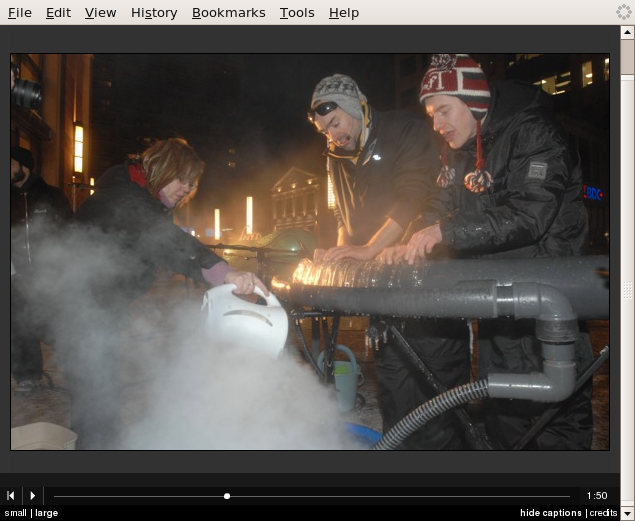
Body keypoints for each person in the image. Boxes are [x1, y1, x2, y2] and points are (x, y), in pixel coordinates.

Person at [382, 54, 594, 450]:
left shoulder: (534, 133)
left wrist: (444, 231)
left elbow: (530, 215)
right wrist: (410, 240)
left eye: (443, 110)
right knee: (503, 418)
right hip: (499, 304)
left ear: (473, 102)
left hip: (547, 305)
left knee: (552, 423)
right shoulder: (459, 148)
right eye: (431, 114)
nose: (436, 124)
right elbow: (439, 203)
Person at [53, 137, 269, 449]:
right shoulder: (123, 196)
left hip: (99, 304)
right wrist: (225, 272)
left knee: (101, 387)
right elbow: (167, 241)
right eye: (182, 178)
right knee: (96, 391)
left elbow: (154, 246)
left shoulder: (138, 195)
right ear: (161, 166)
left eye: (192, 183)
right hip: (79, 303)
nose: (187, 188)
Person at [308, 73, 471, 449]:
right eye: (324, 130)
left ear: (355, 108)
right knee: (395, 389)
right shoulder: (335, 157)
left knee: (438, 390)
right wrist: (341, 255)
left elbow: (412, 197)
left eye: (335, 123)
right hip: (383, 290)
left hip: (428, 281)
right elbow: (342, 216)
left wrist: (368, 249)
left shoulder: (404, 130)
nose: (332, 134)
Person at [11, 146, 73, 394]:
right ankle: (27, 375)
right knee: (19, 326)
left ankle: (80, 365)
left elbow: (70, 232)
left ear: (24, 166)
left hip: (50, 275)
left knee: (54, 325)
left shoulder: (52, 196)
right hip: (16, 277)